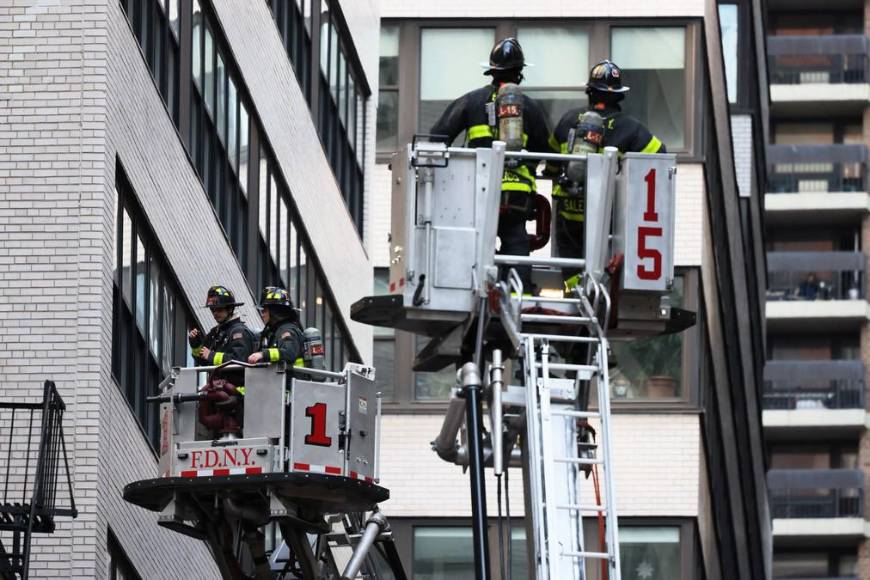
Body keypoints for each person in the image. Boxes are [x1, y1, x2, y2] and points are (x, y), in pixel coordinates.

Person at [429, 37, 552, 292]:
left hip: (476, 190)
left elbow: (437, 136)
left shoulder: (471, 101)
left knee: (475, 242)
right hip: (516, 195)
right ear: (520, 73)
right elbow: (545, 150)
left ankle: (470, 286)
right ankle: (518, 291)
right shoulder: (531, 108)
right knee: (516, 241)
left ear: (492, 71)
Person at [548, 60, 667, 289]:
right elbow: (659, 155)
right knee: (603, 261)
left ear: (590, 92)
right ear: (619, 96)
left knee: (571, 262)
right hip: (605, 217)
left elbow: (552, 163)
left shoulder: (568, 120)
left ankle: (574, 292)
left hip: (568, 212)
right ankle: (597, 294)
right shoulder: (631, 128)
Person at [188, 285, 257, 385]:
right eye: (212, 309)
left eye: (219, 309)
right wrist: (196, 345)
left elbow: (240, 360)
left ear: (230, 309)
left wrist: (211, 355)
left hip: (237, 394)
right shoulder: (215, 332)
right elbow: (203, 361)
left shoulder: (239, 332)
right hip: (218, 389)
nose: (215, 313)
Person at [247, 287, 305, 369]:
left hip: (292, 378)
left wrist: (263, 354)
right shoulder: (274, 331)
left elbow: (289, 353)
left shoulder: (287, 331)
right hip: (280, 379)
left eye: (264, 311)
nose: (262, 314)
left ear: (274, 312)